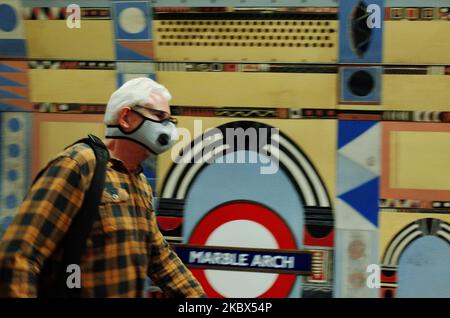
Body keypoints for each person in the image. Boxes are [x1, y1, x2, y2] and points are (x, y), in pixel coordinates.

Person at [0, 77, 206, 298]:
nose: (169, 128)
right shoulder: (80, 165)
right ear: (126, 117)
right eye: (159, 117)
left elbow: (160, 258)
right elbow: (19, 256)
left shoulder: (139, 182)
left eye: (170, 120)